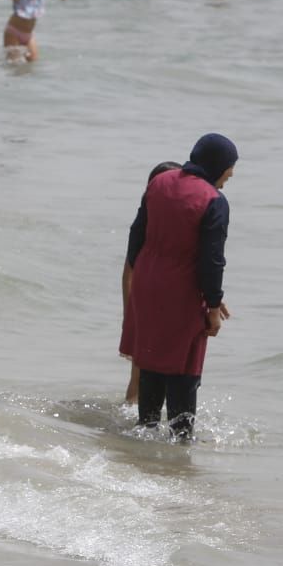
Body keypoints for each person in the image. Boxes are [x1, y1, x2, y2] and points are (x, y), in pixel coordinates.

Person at [119, 134, 238, 440]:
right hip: (182, 292)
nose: (231, 174)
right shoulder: (213, 200)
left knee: (151, 360)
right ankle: (179, 446)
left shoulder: (159, 182)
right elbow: (212, 261)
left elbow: (136, 235)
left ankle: (143, 436)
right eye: (230, 167)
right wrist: (213, 306)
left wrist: (144, 274)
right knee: (183, 370)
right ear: (217, 165)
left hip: (147, 283)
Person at [121, 161, 181, 404]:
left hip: (169, 307)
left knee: (163, 375)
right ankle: (130, 423)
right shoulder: (144, 222)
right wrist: (131, 316)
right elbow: (128, 273)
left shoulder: (179, 220)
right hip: (143, 307)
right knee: (138, 375)